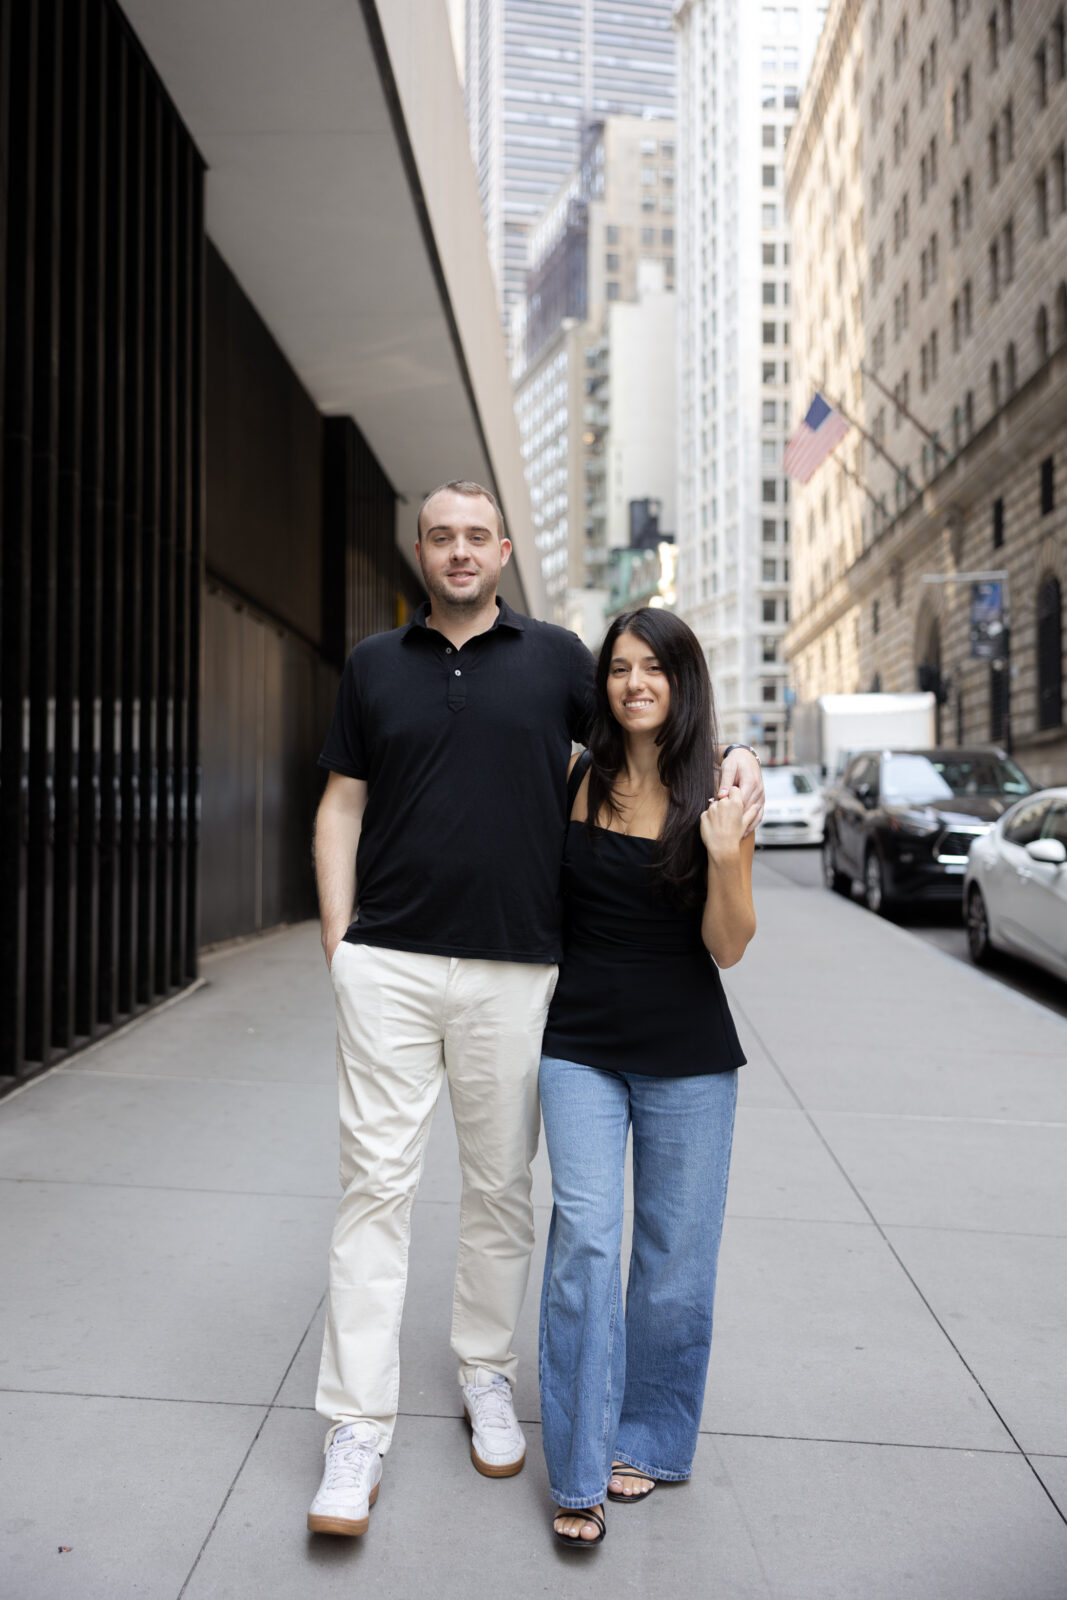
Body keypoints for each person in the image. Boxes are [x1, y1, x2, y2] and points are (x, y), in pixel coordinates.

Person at [307, 482, 764, 1537]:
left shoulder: (560, 656)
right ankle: (355, 1427)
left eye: (477, 536)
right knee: (374, 1188)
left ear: (502, 550)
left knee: (503, 1194)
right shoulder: (374, 665)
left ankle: (483, 1370)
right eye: (441, 536)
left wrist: (736, 757)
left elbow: (656, 715)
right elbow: (340, 800)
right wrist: (338, 941)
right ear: (417, 549)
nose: (459, 552)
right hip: (391, 963)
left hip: (520, 974)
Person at [538, 607, 757, 1549]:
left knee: (672, 1267)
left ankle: (653, 1440)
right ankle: (580, 1469)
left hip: (688, 1057)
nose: (633, 683)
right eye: (619, 668)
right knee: (584, 1243)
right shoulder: (576, 777)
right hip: (577, 1044)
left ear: (680, 680)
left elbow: (728, 946)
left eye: (652, 668)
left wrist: (722, 859)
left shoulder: (716, 790)